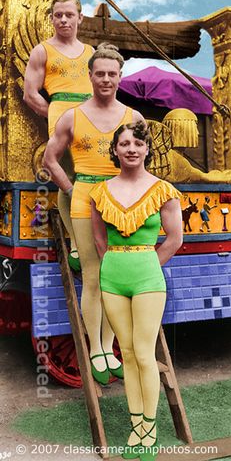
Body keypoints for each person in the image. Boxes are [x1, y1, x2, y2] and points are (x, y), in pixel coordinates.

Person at [43, 44, 145, 384]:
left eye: (111, 74)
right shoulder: (72, 116)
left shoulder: (134, 118)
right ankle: (95, 351)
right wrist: (71, 190)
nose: (105, 79)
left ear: (120, 76)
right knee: (92, 276)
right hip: (85, 198)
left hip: (122, 202)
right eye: (99, 73)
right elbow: (50, 160)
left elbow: (143, 164)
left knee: (119, 278)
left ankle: (109, 344)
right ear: (89, 76)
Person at [90, 121, 183, 459]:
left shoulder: (163, 190)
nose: (131, 149)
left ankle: (149, 428)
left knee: (144, 354)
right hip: (112, 277)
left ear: (146, 149)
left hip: (147, 277)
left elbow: (174, 239)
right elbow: (99, 239)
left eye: (137, 144)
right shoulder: (100, 191)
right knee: (126, 354)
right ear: (115, 150)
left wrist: (145, 265)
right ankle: (135, 426)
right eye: (124, 143)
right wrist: (114, 264)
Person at [24, 0, 93, 270]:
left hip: (92, 119)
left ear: (80, 17)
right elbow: (31, 95)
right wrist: (56, 113)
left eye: (68, 14)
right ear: (52, 18)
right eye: (58, 15)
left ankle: (98, 238)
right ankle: (76, 243)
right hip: (63, 117)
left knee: (95, 177)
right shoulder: (43, 50)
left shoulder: (90, 52)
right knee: (69, 180)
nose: (63, 20)